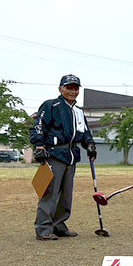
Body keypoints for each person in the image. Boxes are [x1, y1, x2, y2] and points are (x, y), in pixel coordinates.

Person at [30, 74, 97, 240]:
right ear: (61, 89)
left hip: (71, 156)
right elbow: (39, 126)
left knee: (66, 195)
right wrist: (39, 145)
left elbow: (85, 132)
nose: (72, 91)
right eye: (69, 87)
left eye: (76, 88)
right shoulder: (51, 105)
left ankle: (59, 225)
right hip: (54, 154)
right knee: (49, 193)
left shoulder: (79, 111)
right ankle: (43, 229)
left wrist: (89, 144)